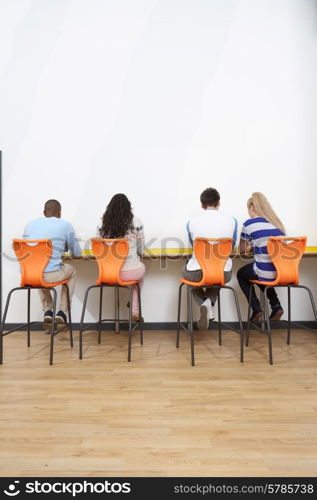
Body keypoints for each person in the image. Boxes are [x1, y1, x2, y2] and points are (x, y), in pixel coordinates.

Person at [183, 187, 238, 330]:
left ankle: (203, 303)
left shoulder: (191, 222)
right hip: (223, 273)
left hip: (198, 272)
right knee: (217, 275)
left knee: (187, 273)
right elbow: (231, 247)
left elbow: (195, 246)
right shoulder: (232, 221)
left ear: (202, 205)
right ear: (219, 203)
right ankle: (208, 304)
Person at [23, 199, 82, 328]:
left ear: (44, 212)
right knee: (71, 271)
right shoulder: (65, 224)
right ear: (59, 213)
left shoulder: (29, 224)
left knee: (38, 271)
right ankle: (62, 312)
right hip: (50, 275)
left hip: (28, 275)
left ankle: (48, 310)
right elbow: (77, 253)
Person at [237, 192, 285, 321]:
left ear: (252, 207)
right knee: (261, 271)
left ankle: (256, 309)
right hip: (282, 273)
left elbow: (241, 250)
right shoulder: (277, 225)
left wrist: (249, 247)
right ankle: (276, 305)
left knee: (242, 274)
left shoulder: (249, 224)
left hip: (265, 272)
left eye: (248, 208)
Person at [98, 193, 145, 322]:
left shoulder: (102, 221)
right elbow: (141, 248)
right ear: (129, 207)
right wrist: (139, 254)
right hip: (130, 274)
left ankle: (134, 304)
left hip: (107, 274)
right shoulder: (136, 221)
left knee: (136, 275)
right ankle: (135, 308)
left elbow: (99, 246)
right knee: (139, 275)